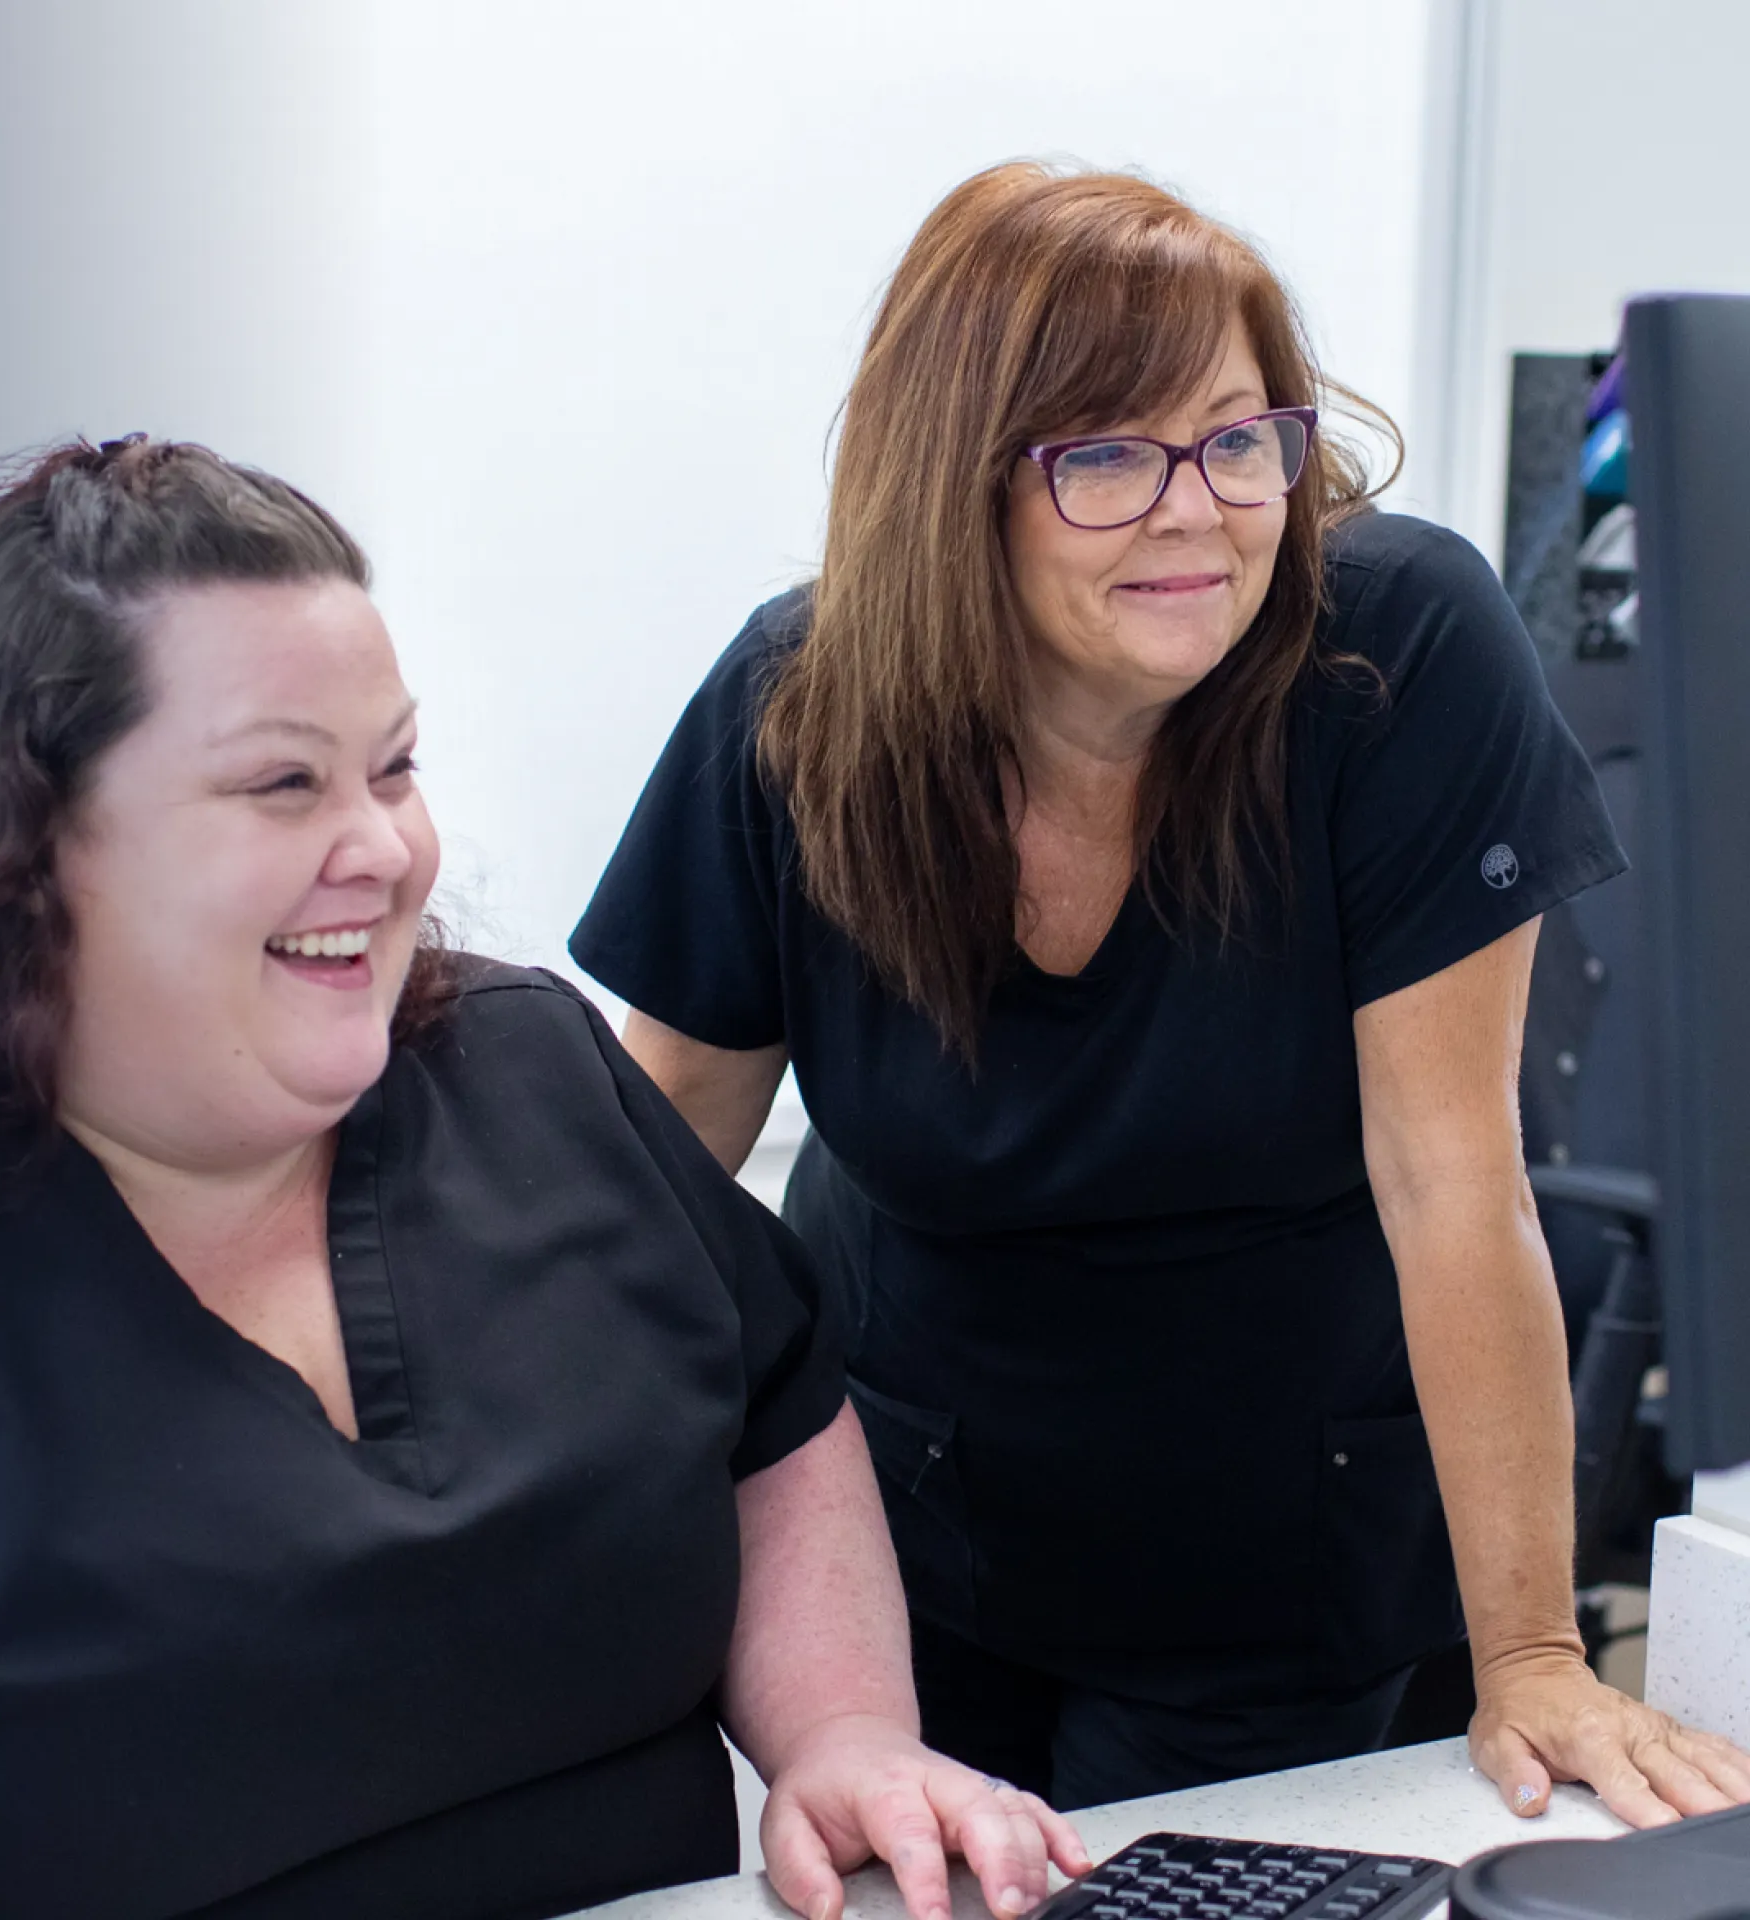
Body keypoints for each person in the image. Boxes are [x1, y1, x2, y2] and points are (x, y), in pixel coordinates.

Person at [0, 436, 1084, 1920]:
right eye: (280, 786)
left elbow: (775, 1419)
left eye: (394, 769)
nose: (379, 852)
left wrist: (846, 1735)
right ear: (27, 852)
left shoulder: (524, 1074)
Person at [572, 162, 1750, 1821]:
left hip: (1276, 1557)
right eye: (1106, 456)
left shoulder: (1396, 657)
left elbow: (1454, 1183)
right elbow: (667, 1173)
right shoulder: (803, 712)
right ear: (953, 487)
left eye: (1232, 435)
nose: (1196, 507)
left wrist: (1537, 1658)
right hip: (906, 1541)